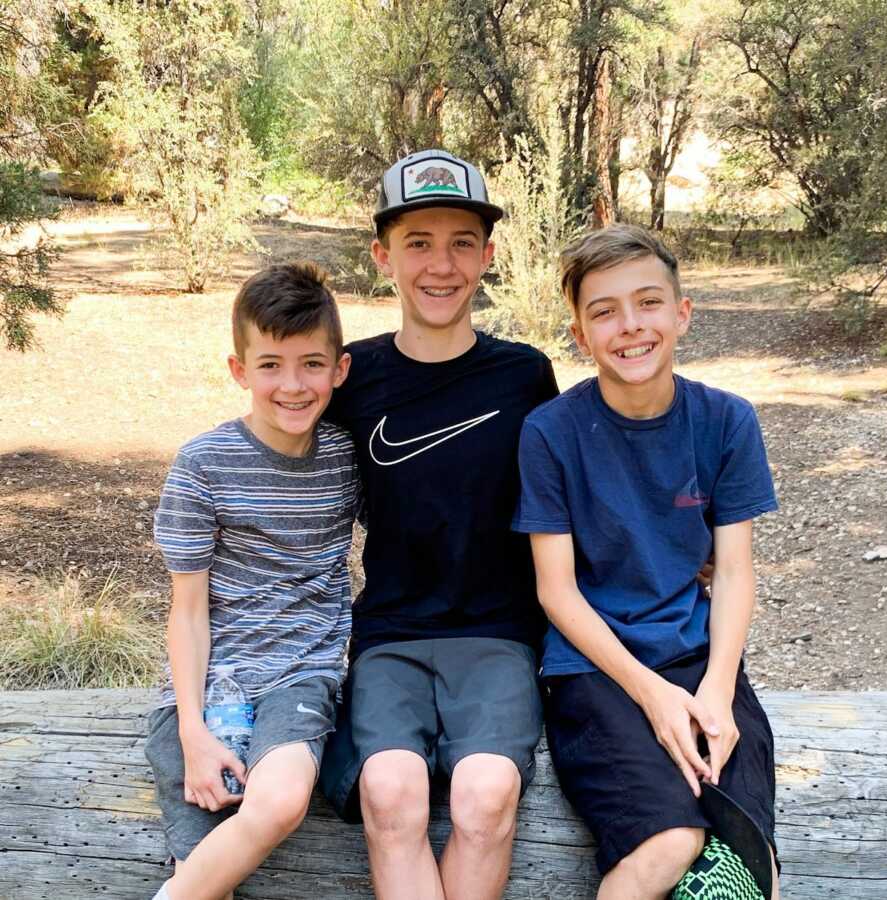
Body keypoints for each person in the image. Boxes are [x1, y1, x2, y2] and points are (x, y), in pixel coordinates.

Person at [513, 224, 780, 900]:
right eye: (604, 311)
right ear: (579, 332)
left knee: (750, 862)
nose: (630, 327)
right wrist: (651, 693)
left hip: (697, 656)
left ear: (682, 314)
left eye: (649, 302)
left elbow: (736, 570)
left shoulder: (726, 421)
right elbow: (557, 592)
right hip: (594, 668)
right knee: (669, 842)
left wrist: (717, 688)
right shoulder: (551, 432)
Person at [319, 149, 558, 900]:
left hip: (498, 635)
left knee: (487, 796)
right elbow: (279, 469)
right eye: (418, 242)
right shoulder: (350, 378)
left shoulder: (525, 375)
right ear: (382, 255)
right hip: (390, 635)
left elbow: (571, 494)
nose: (440, 265)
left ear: (487, 256)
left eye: (461, 242)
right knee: (390, 792)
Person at [145, 262, 358, 900]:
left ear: (339, 370)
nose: (292, 385)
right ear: (240, 371)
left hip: (301, 677)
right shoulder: (203, 464)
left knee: (283, 797)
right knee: (203, 876)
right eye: (270, 365)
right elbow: (186, 611)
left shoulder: (347, 458)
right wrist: (193, 730)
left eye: (311, 364)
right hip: (202, 693)